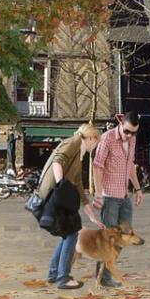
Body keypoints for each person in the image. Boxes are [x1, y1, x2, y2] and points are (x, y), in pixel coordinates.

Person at [39, 123, 101, 288]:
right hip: (56, 194)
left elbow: (79, 186)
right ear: (90, 138)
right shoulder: (74, 142)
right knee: (72, 234)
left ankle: (54, 274)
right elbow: (58, 161)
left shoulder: (79, 155)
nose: (96, 145)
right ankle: (63, 278)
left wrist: (92, 216)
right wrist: (61, 186)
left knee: (68, 234)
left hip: (58, 194)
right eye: (96, 141)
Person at [89, 115, 142, 287]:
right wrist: (98, 193)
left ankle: (106, 273)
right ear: (121, 124)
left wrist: (138, 188)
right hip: (109, 196)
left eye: (133, 133)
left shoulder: (132, 141)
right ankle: (103, 279)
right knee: (108, 240)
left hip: (124, 196)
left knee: (123, 238)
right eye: (127, 131)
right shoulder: (108, 138)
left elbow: (130, 165)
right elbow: (97, 166)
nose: (129, 136)